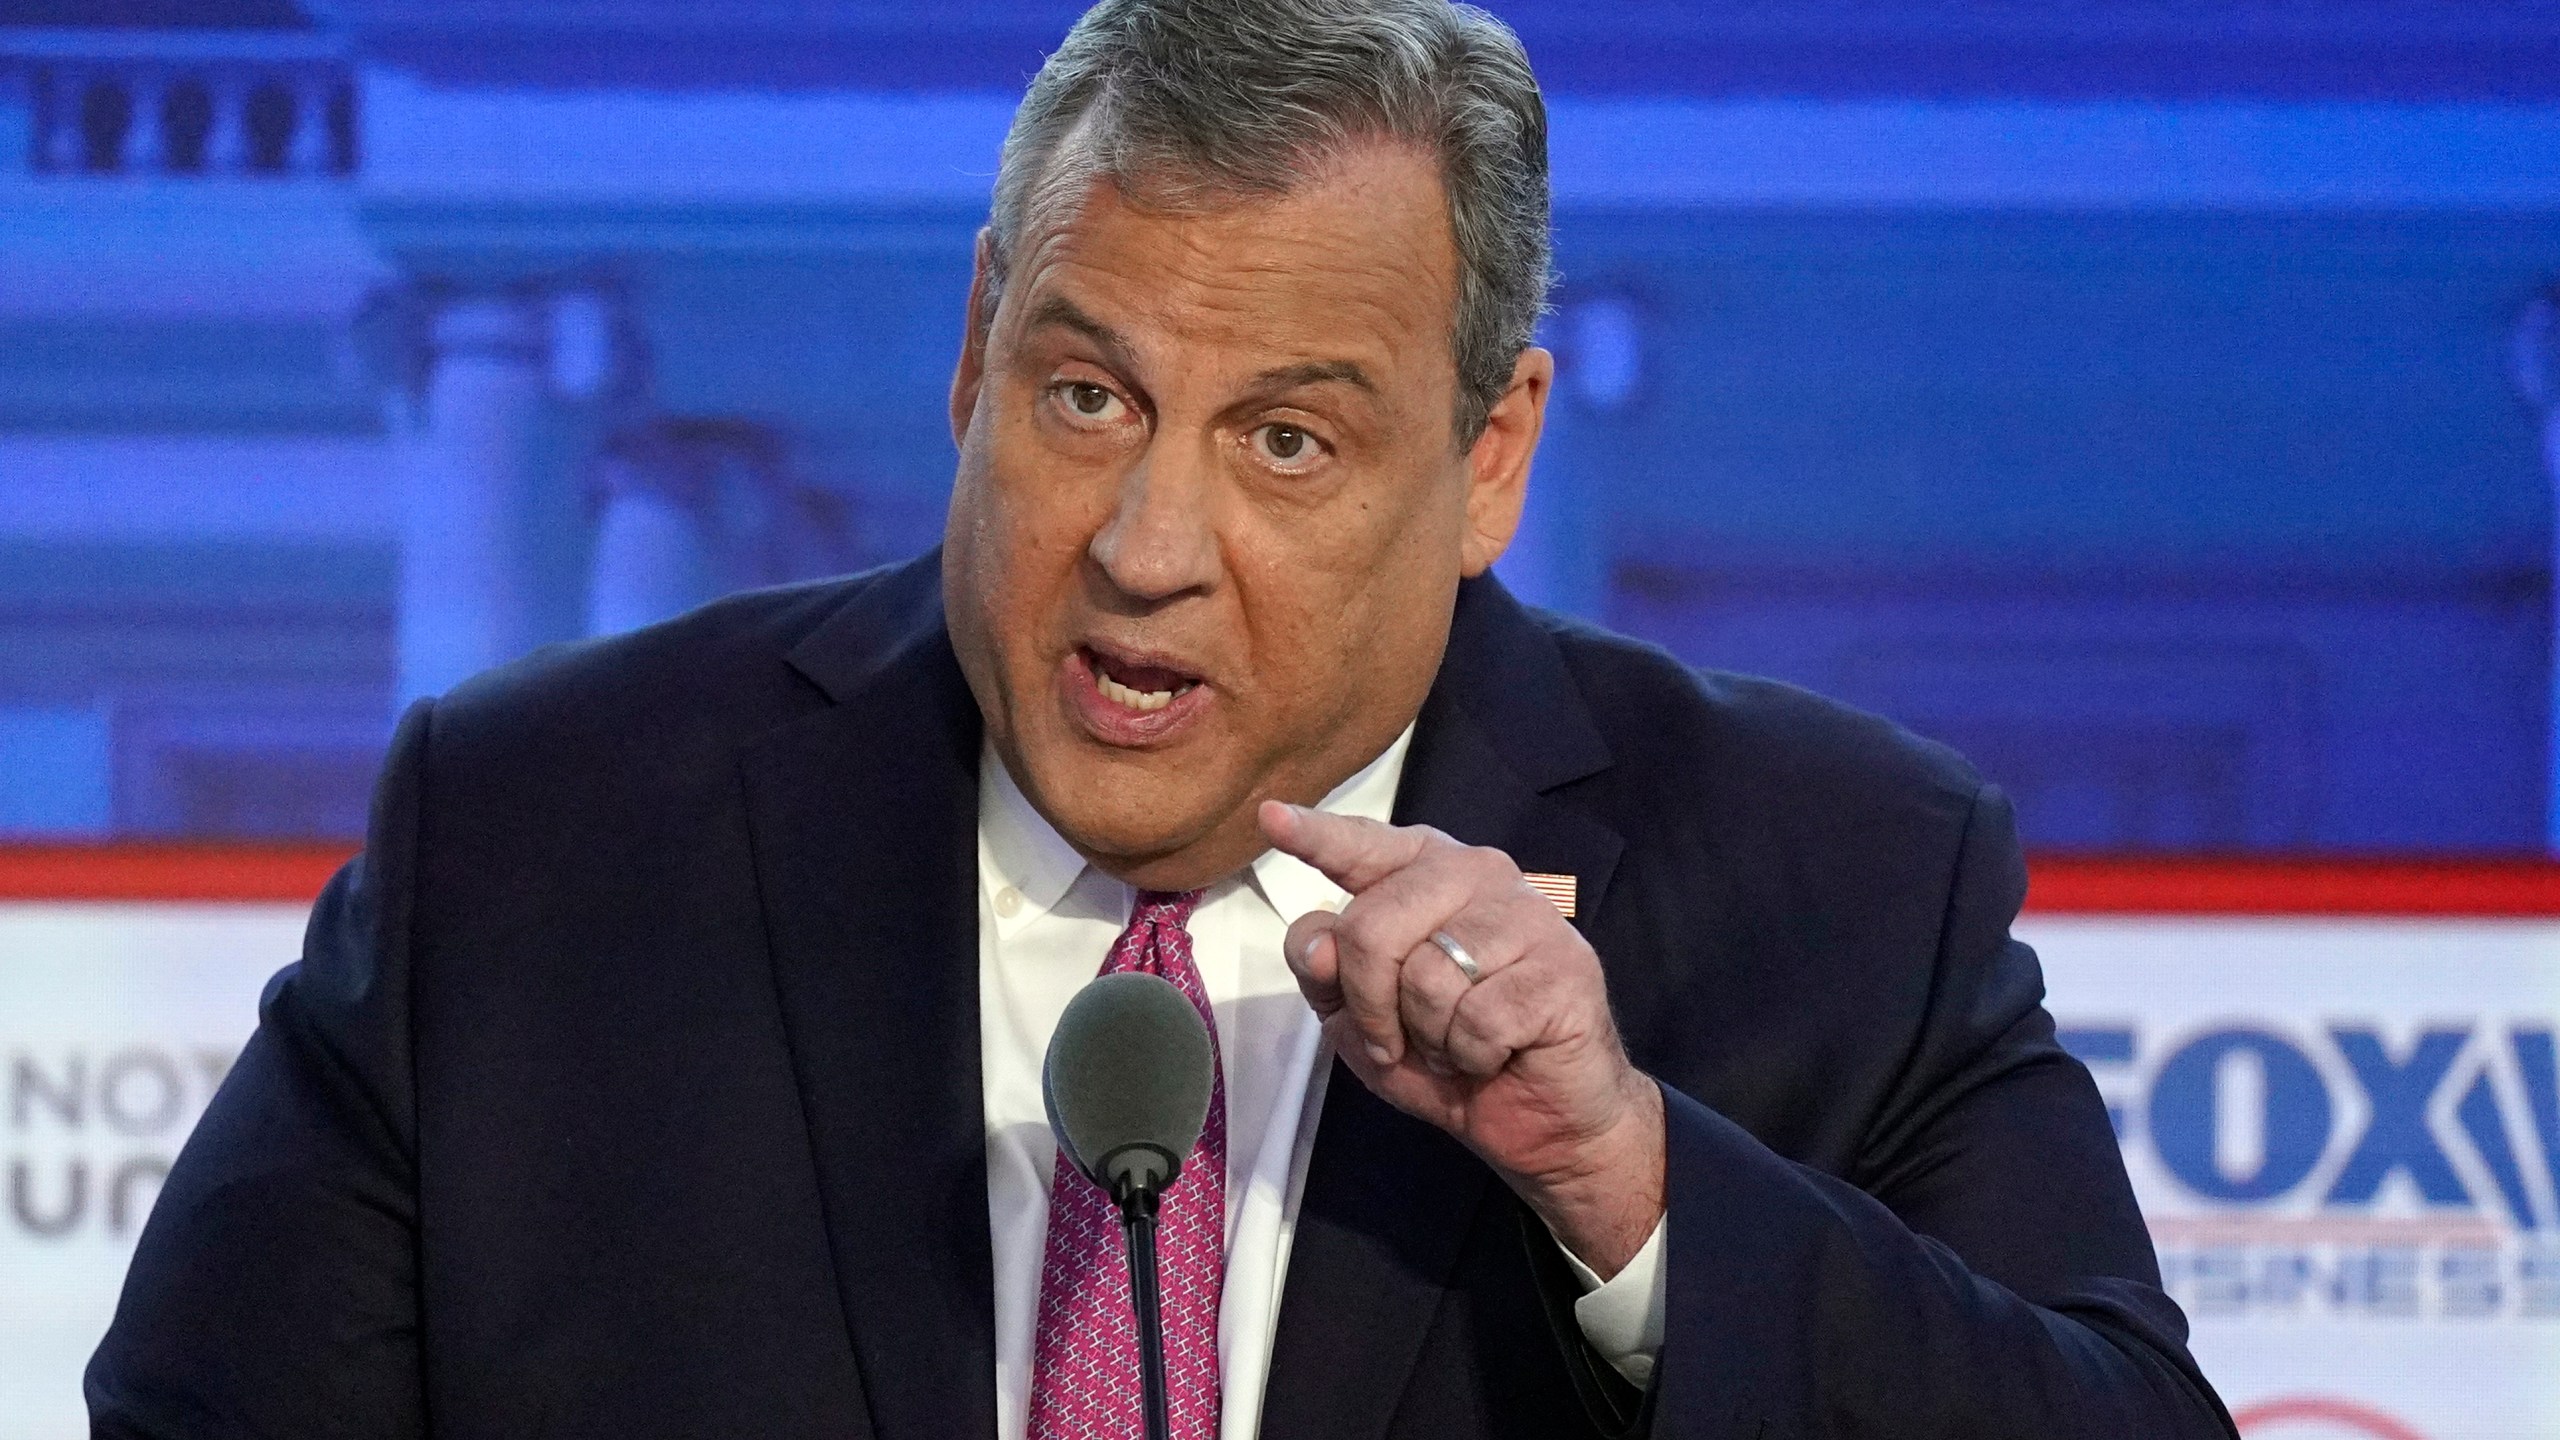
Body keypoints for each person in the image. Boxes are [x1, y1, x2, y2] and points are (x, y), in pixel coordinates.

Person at [87, 2, 2237, 1437]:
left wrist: (1634, 1188)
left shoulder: (1837, 884)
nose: (1139, 542)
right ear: (970, 355)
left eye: (1287, 443)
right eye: (1085, 393)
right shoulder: (540, 839)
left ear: (1488, 462)